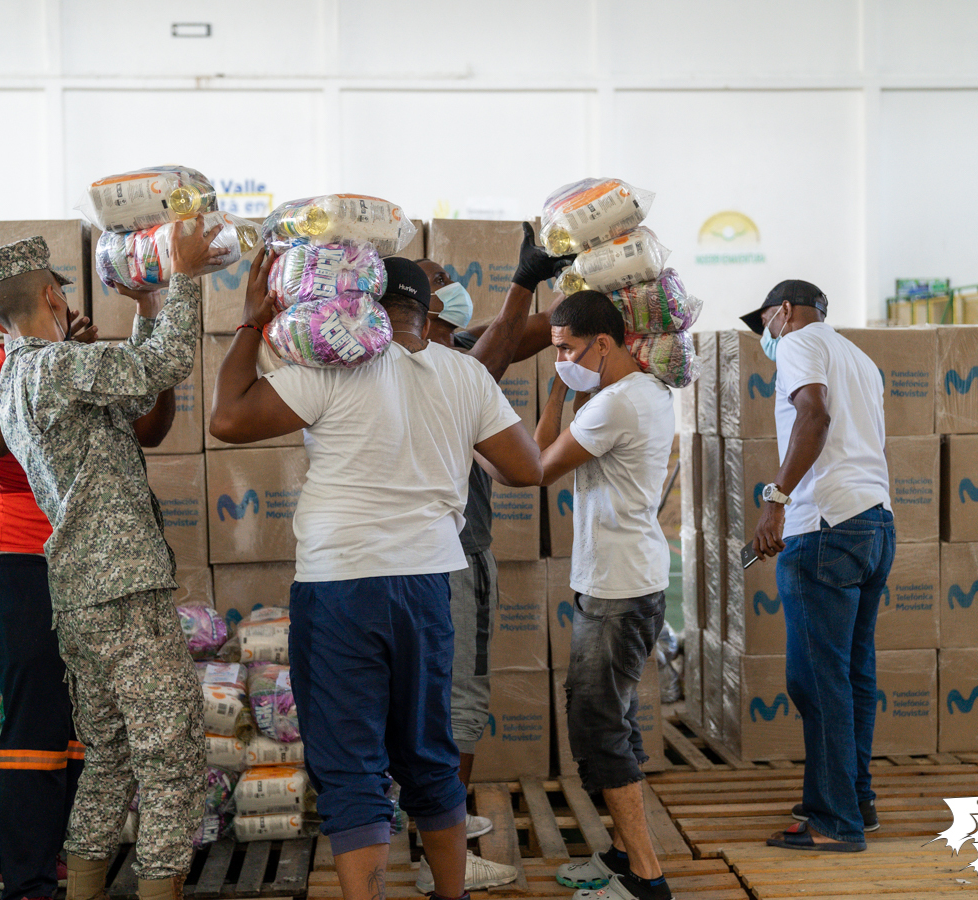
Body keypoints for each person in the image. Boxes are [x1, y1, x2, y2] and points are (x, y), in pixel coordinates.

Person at [209, 252, 543, 900]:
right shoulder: (465, 375)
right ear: (427, 311)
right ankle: (452, 894)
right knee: (427, 751)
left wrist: (252, 325)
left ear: (359, 300)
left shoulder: (333, 368)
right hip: (427, 587)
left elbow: (228, 418)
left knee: (352, 763)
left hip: (341, 586)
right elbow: (526, 467)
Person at [0, 222, 227, 900]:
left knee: (109, 760)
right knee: (172, 760)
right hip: (124, 590)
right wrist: (184, 275)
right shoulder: (57, 365)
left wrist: (146, 308)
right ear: (54, 303)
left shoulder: (14, 382)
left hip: (79, 595)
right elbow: (166, 366)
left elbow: (137, 389)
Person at [0, 290, 178, 900]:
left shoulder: (79, 371)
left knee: (90, 724)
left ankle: (60, 857)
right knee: (37, 719)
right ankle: (24, 873)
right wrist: (54, 365)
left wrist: (127, 370)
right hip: (16, 565)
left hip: (83, 566)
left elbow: (150, 429)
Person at [410, 224, 571, 892]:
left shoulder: (404, 358)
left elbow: (519, 337)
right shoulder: (451, 372)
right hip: (456, 557)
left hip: (409, 562)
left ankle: (434, 824)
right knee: (462, 698)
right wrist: (526, 279)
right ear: (420, 304)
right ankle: (441, 861)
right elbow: (523, 469)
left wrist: (574, 310)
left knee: (427, 700)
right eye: (440, 279)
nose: (454, 285)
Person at [744, 279, 895, 853]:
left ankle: (833, 822)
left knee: (816, 678)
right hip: (874, 523)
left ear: (783, 312)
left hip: (825, 527)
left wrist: (775, 500)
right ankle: (854, 800)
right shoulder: (860, 358)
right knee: (852, 674)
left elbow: (814, 417)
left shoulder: (800, 342)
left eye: (765, 324)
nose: (767, 337)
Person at [535, 291, 675, 900]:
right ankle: (623, 854)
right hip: (623, 580)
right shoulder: (637, 393)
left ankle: (647, 878)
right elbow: (548, 448)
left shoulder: (617, 405)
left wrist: (564, 393)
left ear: (604, 343)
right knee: (610, 718)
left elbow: (536, 465)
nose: (559, 358)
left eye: (566, 347)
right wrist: (563, 386)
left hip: (619, 587)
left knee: (597, 726)